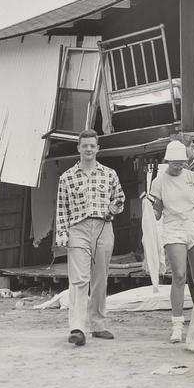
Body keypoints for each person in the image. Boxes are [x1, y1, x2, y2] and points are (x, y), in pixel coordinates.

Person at [55, 129, 125, 347]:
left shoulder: (109, 174)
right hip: (78, 230)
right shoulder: (66, 177)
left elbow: (120, 199)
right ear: (78, 148)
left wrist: (113, 209)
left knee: (100, 278)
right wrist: (62, 233)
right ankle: (77, 328)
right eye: (84, 145)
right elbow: (61, 208)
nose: (88, 149)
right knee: (79, 279)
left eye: (92, 146)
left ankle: (98, 324)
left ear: (97, 149)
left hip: (103, 227)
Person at [150, 140, 194, 343]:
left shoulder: (192, 177)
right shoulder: (159, 182)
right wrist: (149, 210)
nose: (179, 166)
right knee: (179, 275)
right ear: (167, 161)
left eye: (182, 162)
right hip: (173, 227)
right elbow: (157, 212)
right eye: (175, 163)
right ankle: (177, 325)